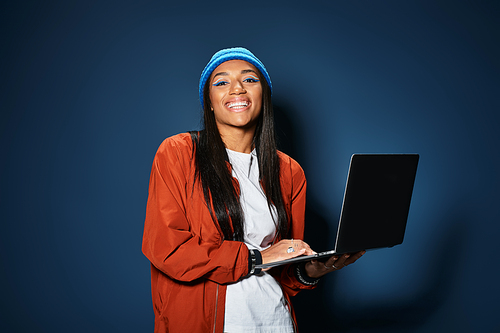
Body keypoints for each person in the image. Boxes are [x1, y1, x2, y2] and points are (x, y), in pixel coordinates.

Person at [142, 47, 364, 332]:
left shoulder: (289, 172)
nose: (237, 88)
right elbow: (168, 250)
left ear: (264, 97)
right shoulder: (178, 154)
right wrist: (255, 257)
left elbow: (283, 271)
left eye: (249, 80)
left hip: (275, 322)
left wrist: (312, 270)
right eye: (221, 82)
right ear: (209, 101)